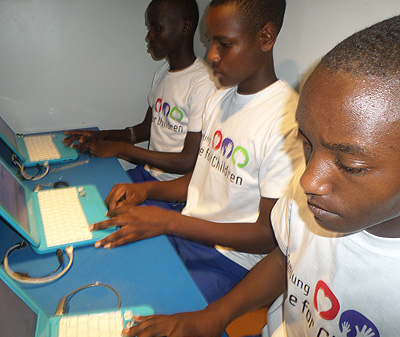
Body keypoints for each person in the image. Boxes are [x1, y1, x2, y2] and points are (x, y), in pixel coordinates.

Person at [121, 14, 400, 337]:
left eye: (350, 165)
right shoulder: (312, 200)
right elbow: (286, 252)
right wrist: (215, 317)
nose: (307, 181)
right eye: (306, 144)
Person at [91, 0, 303, 304]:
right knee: (108, 268)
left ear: (265, 38)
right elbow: (202, 178)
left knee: (149, 307)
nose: (211, 55)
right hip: (188, 231)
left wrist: (169, 222)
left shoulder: (285, 121)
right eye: (211, 41)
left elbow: (267, 236)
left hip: (230, 261)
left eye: (224, 44)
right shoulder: (220, 98)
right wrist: (145, 191)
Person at [63, 0, 217, 182]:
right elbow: (147, 128)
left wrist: (121, 149)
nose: (149, 36)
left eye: (156, 28)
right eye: (149, 28)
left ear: (185, 27)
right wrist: (104, 135)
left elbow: (187, 161)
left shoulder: (203, 83)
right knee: (85, 184)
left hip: (170, 189)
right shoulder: (161, 73)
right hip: (146, 173)